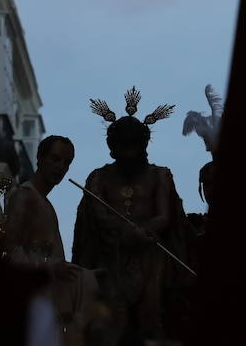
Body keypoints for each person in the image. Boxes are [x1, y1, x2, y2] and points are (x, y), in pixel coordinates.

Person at [73, 88, 187, 344]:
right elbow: (98, 214)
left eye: (132, 148)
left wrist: (143, 230)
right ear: (113, 148)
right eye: (122, 148)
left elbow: (164, 216)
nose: (128, 155)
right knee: (111, 323)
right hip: (111, 258)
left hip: (150, 258)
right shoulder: (99, 178)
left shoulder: (160, 176)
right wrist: (124, 231)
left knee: (151, 320)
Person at [5, 135, 98, 346]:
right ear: (40, 158)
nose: (61, 167)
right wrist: (48, 267)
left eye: (67, 163)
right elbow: (10, 250)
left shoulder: (46, 204)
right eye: (55, 159)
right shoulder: (24, 196)